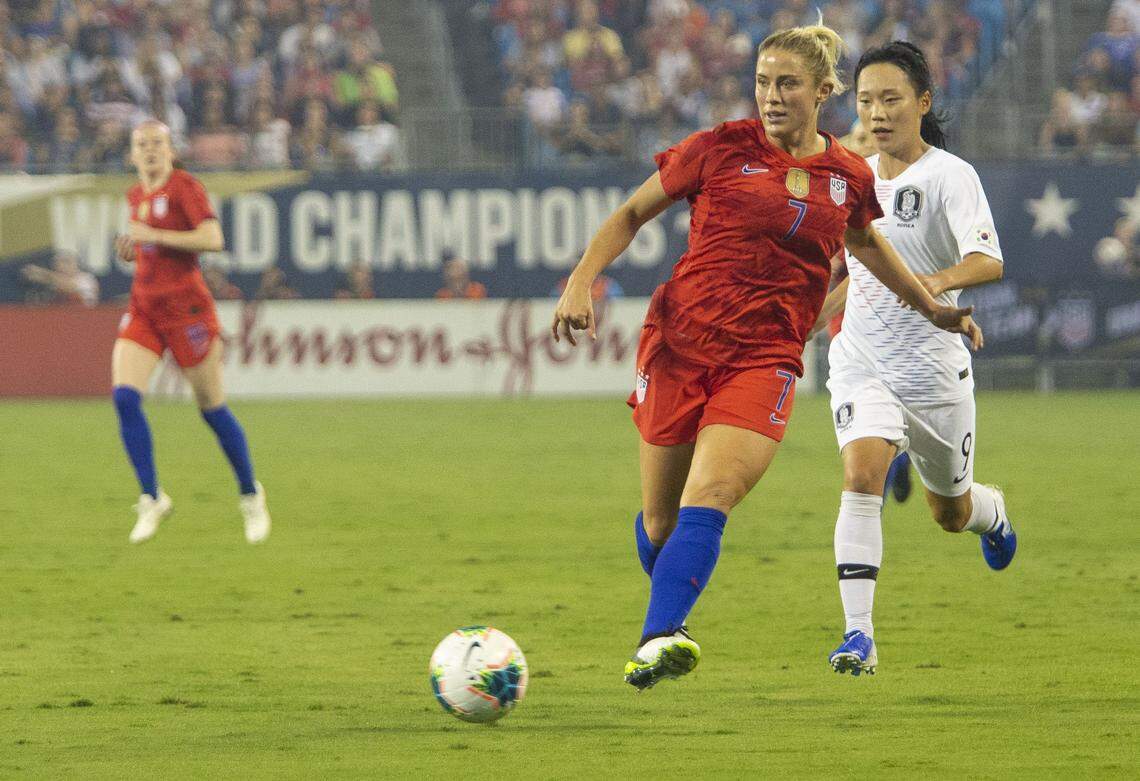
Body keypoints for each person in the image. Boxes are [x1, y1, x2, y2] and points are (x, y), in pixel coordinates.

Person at [552, 24, 978, 691]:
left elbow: (867, 246)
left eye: (787, 84)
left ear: (821, 91)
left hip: (765, 359)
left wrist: (931, 305)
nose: (771, 96)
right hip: (679, 346)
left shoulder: (846, 174)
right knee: (662, 523)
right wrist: (581, 278)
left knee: (713, 493)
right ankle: (670, 617)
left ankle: (659, 635)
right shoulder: (719, 148)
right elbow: (633, 213)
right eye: (762, 82)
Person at [814, 42, 1016, 677]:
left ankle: (993, 512)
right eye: (866, 100)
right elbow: (858, 272)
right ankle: (858, 637)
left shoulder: (950, 176)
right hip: (861, 361)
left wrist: (928, 284)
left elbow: (989, 261)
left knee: (948, 514)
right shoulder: (850, 175)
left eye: (890, 99)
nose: (876, 112)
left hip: (933, 372)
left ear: (922, 104)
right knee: (861, 476)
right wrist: (806, 323)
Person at [112, 120, 271, 545]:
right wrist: (133, 250)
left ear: (171, 150)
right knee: (125, 397)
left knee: (211, 408)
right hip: (145, 308)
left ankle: (250, 494)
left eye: (157, 144)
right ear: (131, 154)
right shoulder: (135, 195)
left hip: (188, 312)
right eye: (141, 144)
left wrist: (154, 236)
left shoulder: (185, 187)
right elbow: (151, 250)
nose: (149, 151)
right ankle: (151, 497)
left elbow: (213, 237)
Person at [22, 250, 99, 305]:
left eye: (66, 262)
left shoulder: (86, 279)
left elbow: (69, 287)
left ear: (76, 264)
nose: (61, 266)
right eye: (58, 263)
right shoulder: (53, 282)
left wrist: (41, 273)